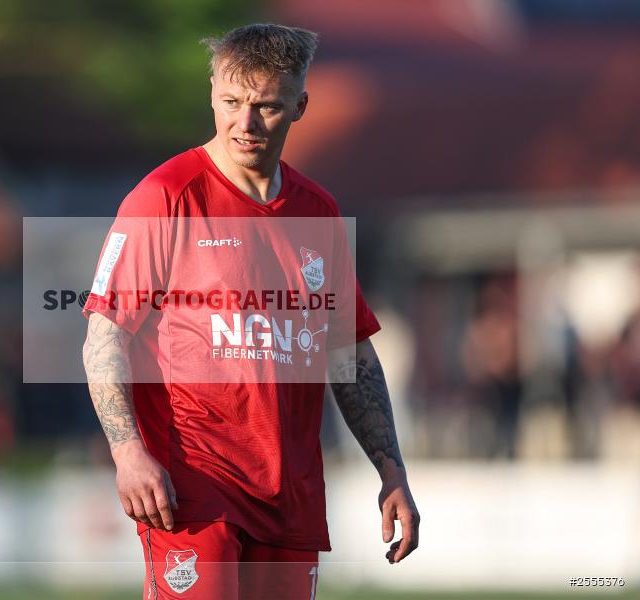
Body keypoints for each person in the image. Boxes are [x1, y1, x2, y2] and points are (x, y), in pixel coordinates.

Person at [82, 23, 419, 599]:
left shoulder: (318, 213)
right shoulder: (165, 197)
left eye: (265, 106)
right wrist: (128, 452)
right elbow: (103, 339)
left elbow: (350, 357)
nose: (245, 121)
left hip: (292, 497)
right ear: (212, 93)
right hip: (193, 490)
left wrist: (391, 470)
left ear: (299, 106)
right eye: (232, 102)